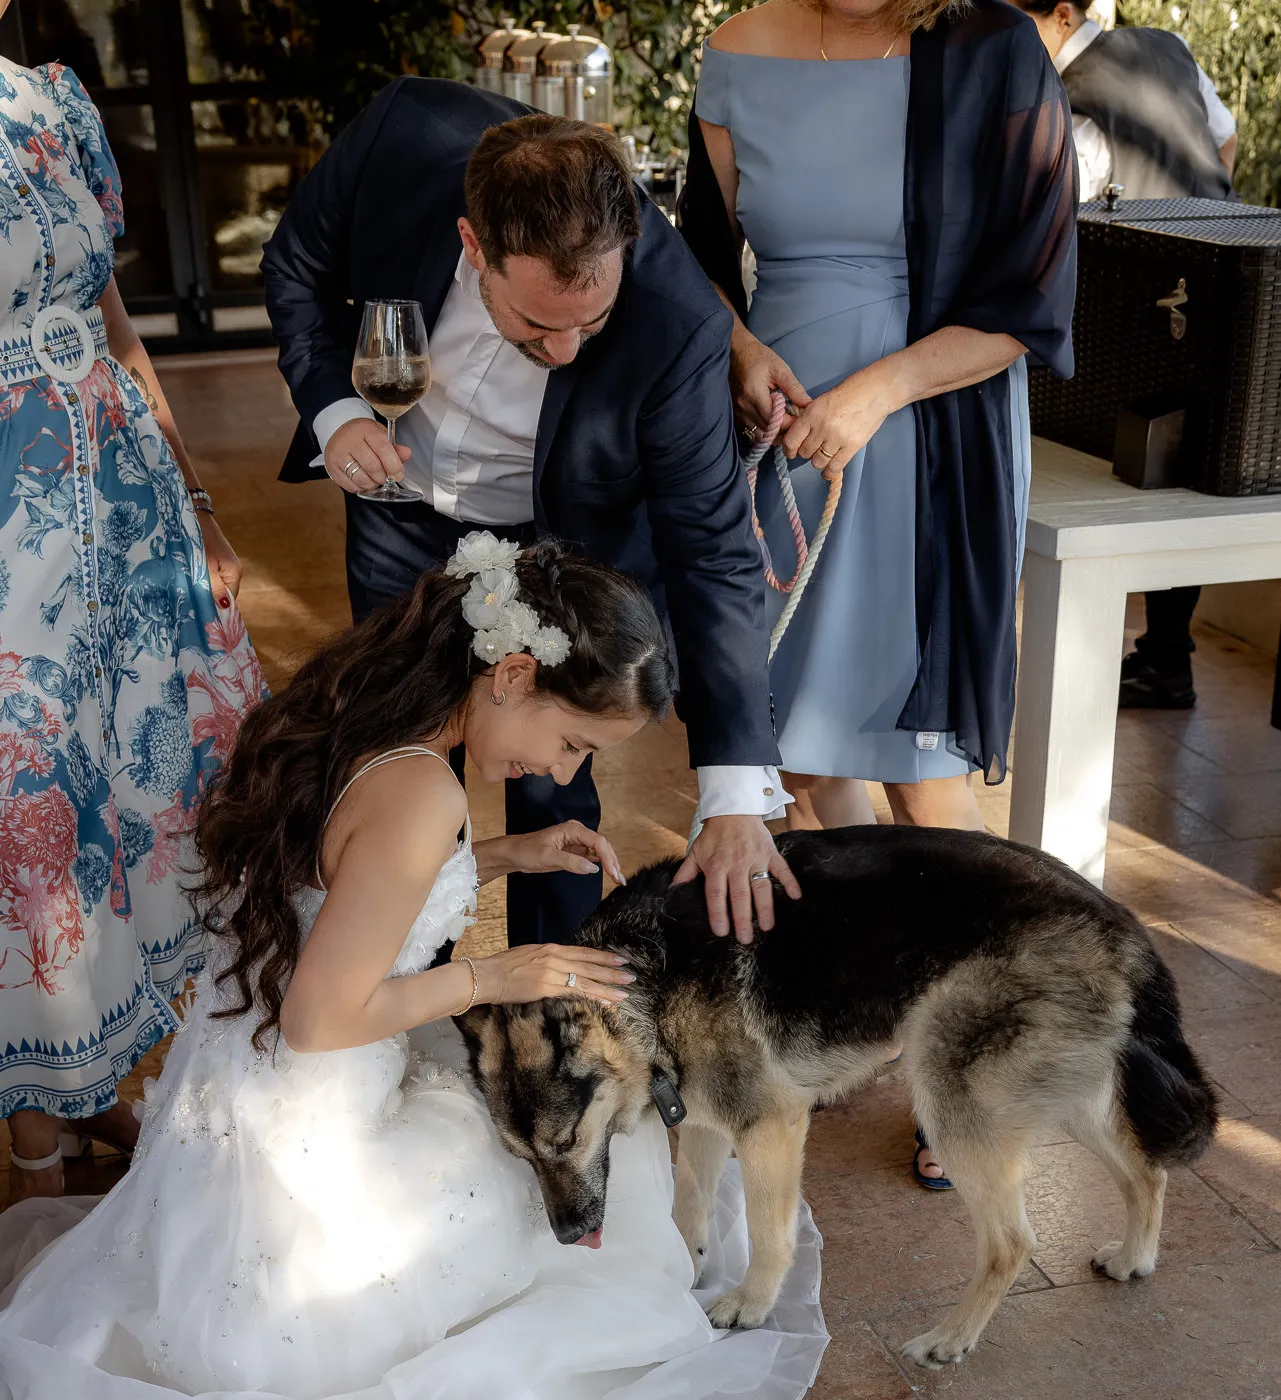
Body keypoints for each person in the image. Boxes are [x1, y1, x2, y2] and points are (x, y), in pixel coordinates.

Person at [0, 533, 1180, 1400]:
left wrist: (499, 853)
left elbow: (345, 877)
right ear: (512, 674)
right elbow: (324, 1015)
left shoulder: (372, 724)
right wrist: (489, 977)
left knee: (576, 1141)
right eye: (572, 744)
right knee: (584, 1179)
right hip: (321, 1114)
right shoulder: (417, 791)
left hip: (234, 1097)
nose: (565, 766)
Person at [676, 0, 1076, 1185]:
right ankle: (900, 996)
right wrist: (743, 351)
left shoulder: (990, 47)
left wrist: (874, 396)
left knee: (919, 761)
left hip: (925, 426)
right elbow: (697, 260)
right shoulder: (737, 45)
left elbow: (1028, 299)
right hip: (781, 425)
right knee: (795, 750)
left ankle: (987, 1054)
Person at [262, 94, 799, 952]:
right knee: (397, 762)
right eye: (539, 324)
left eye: (592, 321)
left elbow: (711, 549)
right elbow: (294, 268)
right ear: (474, 244)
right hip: (400, 508)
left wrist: (733, 793)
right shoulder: (401, 139)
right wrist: (334, 411)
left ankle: (549, 1018)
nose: (567, 351)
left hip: (557, 541)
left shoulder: (676, 325)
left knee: (551, 777)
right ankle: (398, 989)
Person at [0, 47, 265, 1206]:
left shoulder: (55, 100)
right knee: (27, 806)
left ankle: (86, 1078)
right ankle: (35, 1140)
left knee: (145, 785)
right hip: (12, 520)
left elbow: (115, 323)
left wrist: (197, 500)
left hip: (124, 500)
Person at [1016, 0, 1239, 711]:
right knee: (1183, 476)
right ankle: (1164, 659)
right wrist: (1194, 215)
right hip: (1220, 292)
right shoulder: (1166, 47)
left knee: (1115, 491)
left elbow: (1056, 223)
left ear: (1057, 13)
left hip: (1142, 314)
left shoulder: (1069, 100)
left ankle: (1088, 665)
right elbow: (1225, 142)